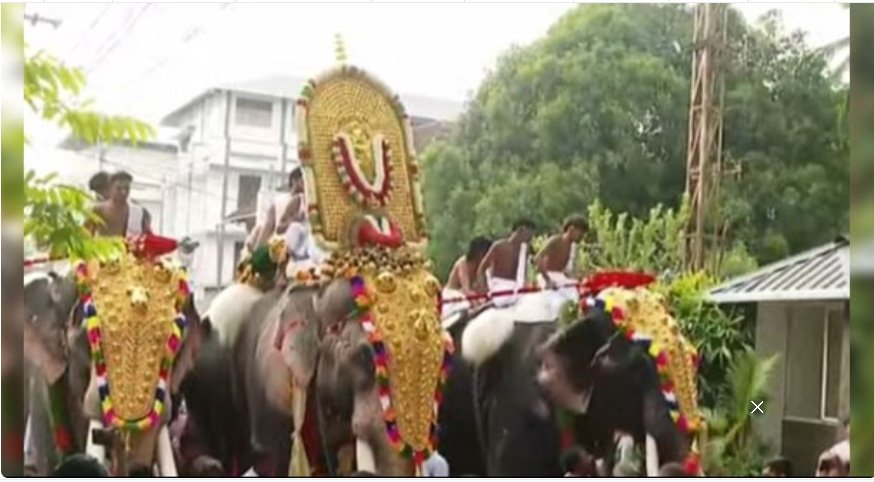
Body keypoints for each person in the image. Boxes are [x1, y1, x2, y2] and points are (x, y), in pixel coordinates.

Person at [534, 214, 588, 318]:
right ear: (571, 229)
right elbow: (538, 259)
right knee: (558, 305)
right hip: (547, 277)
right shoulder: (556, 240)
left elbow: (570, 271)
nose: (582, 237)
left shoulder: (573, 248)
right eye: (581, 233)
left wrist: (581, 277)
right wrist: (548, 280)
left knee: (577, 300)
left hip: (561, 279)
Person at [476, 219, 536, 308]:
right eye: (529, 234)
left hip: (517, 288)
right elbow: (482, 269)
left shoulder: (524, 250)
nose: (531, 238)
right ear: (521, 230)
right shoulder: (499, 246)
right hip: (500, 288)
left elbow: (523, 275)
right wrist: (485, 290)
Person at [88, 171, 152, 237]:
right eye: (119, 189)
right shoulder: (99, 209)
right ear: (111, 188)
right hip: (105, 246)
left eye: (126, 188)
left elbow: (148, 236)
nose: (123, 192)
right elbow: (86, 234)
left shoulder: (138, 211)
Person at [442, 237, 493, 320]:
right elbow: (466, 290)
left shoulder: (482, 267)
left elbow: (484, 289)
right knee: (466, 305)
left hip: (471, 296)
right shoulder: (462, 263)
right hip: (453, 296)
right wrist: (477, 304)